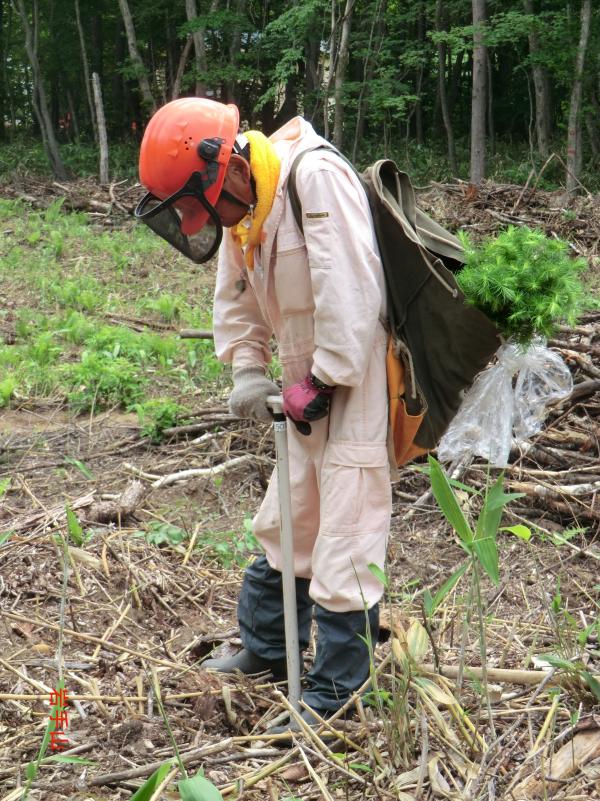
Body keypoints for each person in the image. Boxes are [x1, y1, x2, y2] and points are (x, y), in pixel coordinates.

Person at [136, 97, 392, 732]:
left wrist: (328, 377)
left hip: (355, 378)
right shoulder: (244, 208)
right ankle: (270, 648)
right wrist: (249, 368)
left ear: (225, 170)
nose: (207, 224)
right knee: (289, 513)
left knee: (346, 528)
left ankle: (335, 692)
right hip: (302, 382)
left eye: (203, 208)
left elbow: (353, 295)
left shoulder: (314, 178)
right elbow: (238, 295)